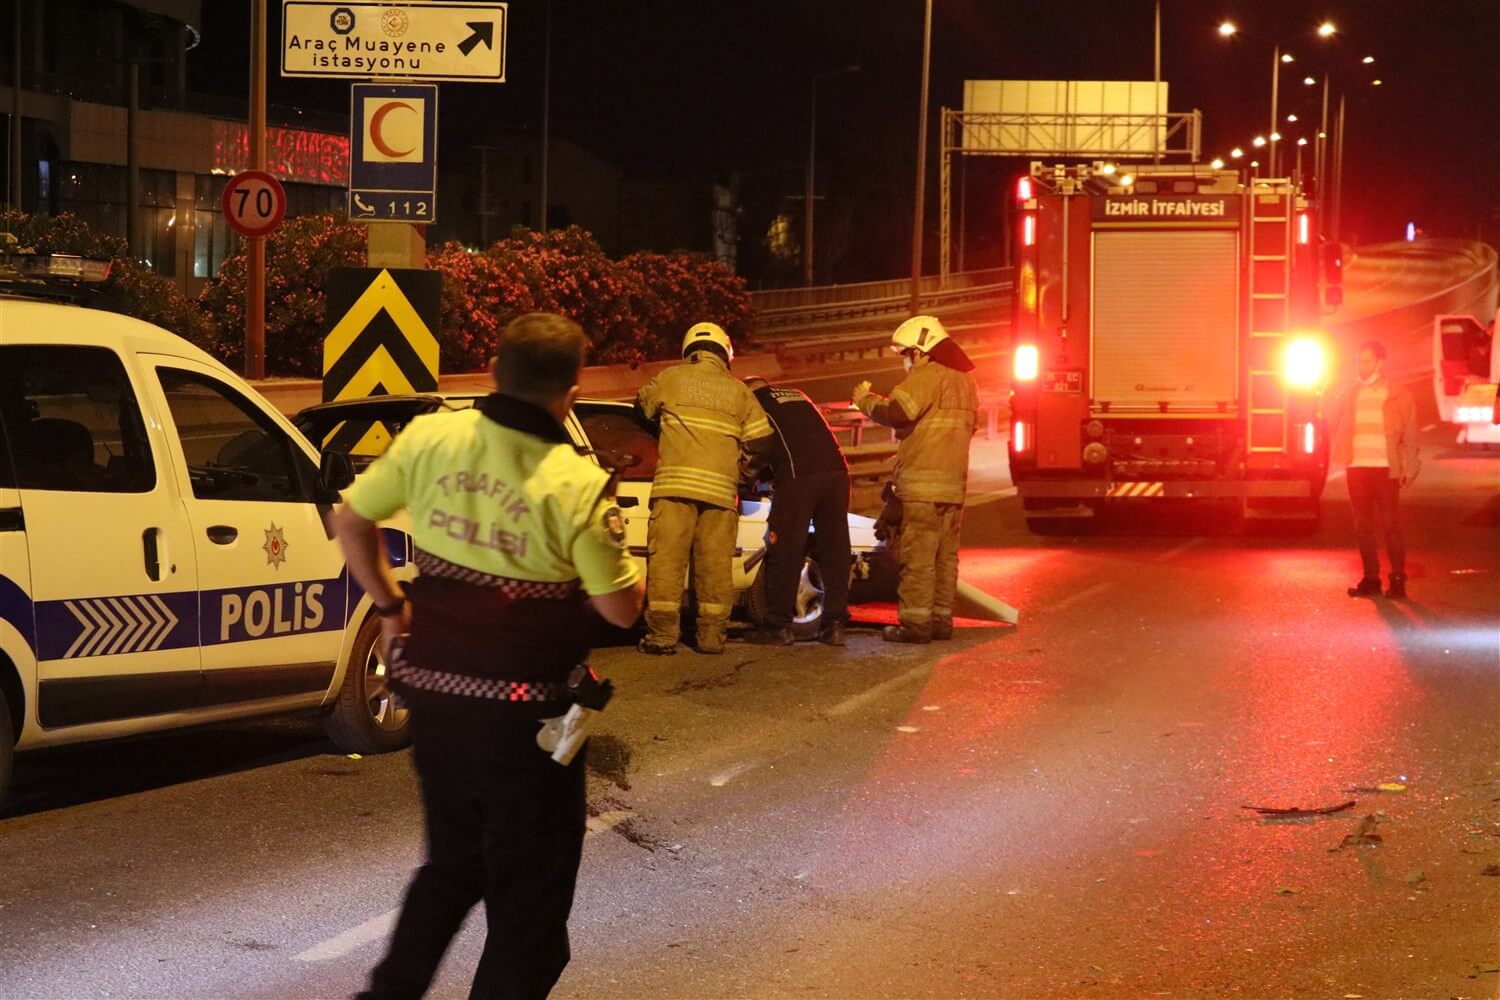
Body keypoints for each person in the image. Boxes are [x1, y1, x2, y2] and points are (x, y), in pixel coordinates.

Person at [334, 312, 645, 1000]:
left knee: (451, 867)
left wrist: (390, 609)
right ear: (570, 391)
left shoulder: (433, 438)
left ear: (496, 371)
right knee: (530, 911)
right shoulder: (575, 482)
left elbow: (350, 521)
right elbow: (621, 609)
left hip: (436, 701)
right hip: (526, 724)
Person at [634, 322, 773, 655]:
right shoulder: (739, 391)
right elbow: (762, 441)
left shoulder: (670, 378)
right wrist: (742, 472)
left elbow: (641, 408)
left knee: (667, 563)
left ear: (689, 350)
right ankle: (711, 639)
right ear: (725, 354)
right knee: (714, 567)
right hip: (721, 494)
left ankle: (663, 637)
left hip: (673, 489)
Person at [851, 315, 977, 643]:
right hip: (953, 487)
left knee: (918, 558)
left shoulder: (928, 376)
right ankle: (939, 620)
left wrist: (865, 399)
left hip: (922, 487)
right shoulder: (966, 384)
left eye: (906, 354)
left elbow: (897, 411)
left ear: (921, 351)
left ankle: (915, 625)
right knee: (945, 558)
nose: (906, 361)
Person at [741, 376, 851, 646]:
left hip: (798, 477)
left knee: (785, 549)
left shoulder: (755, 404)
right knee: (835, 550)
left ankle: (777, 625)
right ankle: (834, 624)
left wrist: (750, 478)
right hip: (837, 473)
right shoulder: (798, 396)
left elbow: (760, 443)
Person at [1328, 339, 1420, 598]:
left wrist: (1409, 466)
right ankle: (1371, 579)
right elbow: (1326, 414)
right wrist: (1330, 386)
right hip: (1357, 468)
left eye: (1366, 361)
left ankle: (1398, 579)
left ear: (1380, 362)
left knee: (1391, 525)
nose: (1361, 366)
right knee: (1363, 526)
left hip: (1385, 469)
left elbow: (1411, 433)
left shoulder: (1398, 394)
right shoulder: (1350, 392)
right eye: (1358, 361)